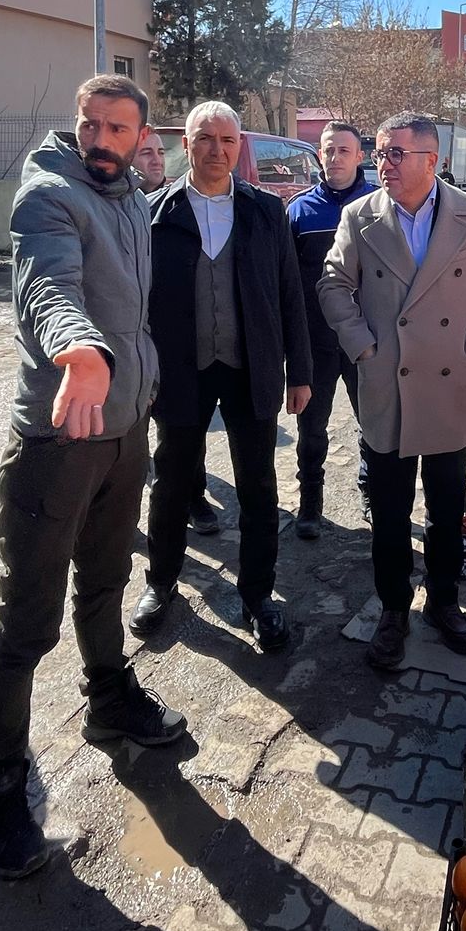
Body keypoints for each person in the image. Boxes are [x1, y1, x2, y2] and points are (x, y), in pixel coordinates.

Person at [0, 74, 183, 880]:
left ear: (138, 138)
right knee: (24, 620)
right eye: (90, 125)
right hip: (59, 438)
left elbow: (134, 302)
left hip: (125, 429)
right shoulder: (47, 196)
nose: (100, 140)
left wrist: (142, 375)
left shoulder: (128, 195)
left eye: (117, 129)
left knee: (106, 579)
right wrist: (80, 352)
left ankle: (109, 696)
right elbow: (47, 286)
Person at [320, 113, 466, 671]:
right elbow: (333, 283)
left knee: (448, 506)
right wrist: (362, 344)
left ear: (433, 159)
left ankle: (445, 602)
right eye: (380, 153)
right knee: (389, 510)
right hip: (388, 384)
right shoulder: (360, 216)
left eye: (396, 154)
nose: (384, 163)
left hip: (449, 383)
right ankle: (394, 610)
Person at [133, 102, 313, 655]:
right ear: (184, 145)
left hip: (250, 366)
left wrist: (299, 372)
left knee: (258, 486)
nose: (217, 149)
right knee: (171, 480)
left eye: (228, 140)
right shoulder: (153, 213)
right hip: (180, 369)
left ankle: (259, 596)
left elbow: (290, 294)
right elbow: (136, 300)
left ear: (240, 148)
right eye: (205, 138)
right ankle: (161, 584)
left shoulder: (264, 212)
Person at [285, 121, 378, 539]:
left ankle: (371, 492)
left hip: (366, 342)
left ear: (360, 156)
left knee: (374, 425)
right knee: (311, 430)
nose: (335, 158)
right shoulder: (299, 212)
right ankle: (310, 503)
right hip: (314, 343)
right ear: (318, 154)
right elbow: (285, 283)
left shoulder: (380, 206)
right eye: (328, 150)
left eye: (344, 150)